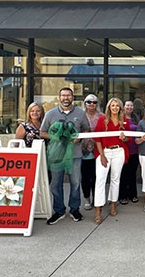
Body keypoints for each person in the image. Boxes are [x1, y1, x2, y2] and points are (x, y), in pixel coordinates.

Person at [40, 87, 90, 225]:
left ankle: (74, 209)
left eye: (68, 95)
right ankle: (59, 211)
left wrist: (79, 137)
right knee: (55, 184)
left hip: (75, 155)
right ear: (59, 97)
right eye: (63, 95)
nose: (66, 98)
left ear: (72, 97)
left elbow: (86, 129)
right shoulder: (50, 114)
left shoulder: (81, 114)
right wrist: (56, 137)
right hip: (57, 156)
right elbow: (42, 132)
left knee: (75, 183)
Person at [93, 97, 132, 224]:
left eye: (117, 105)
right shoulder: (102, 120)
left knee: (115, 179)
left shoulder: (124, 121)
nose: (115, 108)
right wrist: (102, 155)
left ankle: (113, 204)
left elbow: (129, 140)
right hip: (104, 151)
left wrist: (124, 138)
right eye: (112, 105)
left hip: (118, 152)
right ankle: (98, 209)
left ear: (120, 107)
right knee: (100, 180)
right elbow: (97, 138)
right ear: (109, 107)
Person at [81, 94, 103, 211]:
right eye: (89, 102)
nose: (91, 104)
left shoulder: (102, 116)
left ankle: (97, 199)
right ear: (85, 103)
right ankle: (87, 198)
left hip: (98, 151)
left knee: (97, 177)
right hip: (83, 152)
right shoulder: (80, 116)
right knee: (85, 178)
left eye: (94, 102)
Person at [119, 100, 140, 205]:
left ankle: (133, 194)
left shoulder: (136, 119)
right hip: (123, 150)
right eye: (127, 105)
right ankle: (122, 195)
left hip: (134, 150)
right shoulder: (119, 118)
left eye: (131, 105)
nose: (129, 107)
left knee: (132, 174)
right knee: (123, 173)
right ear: (124, 107)